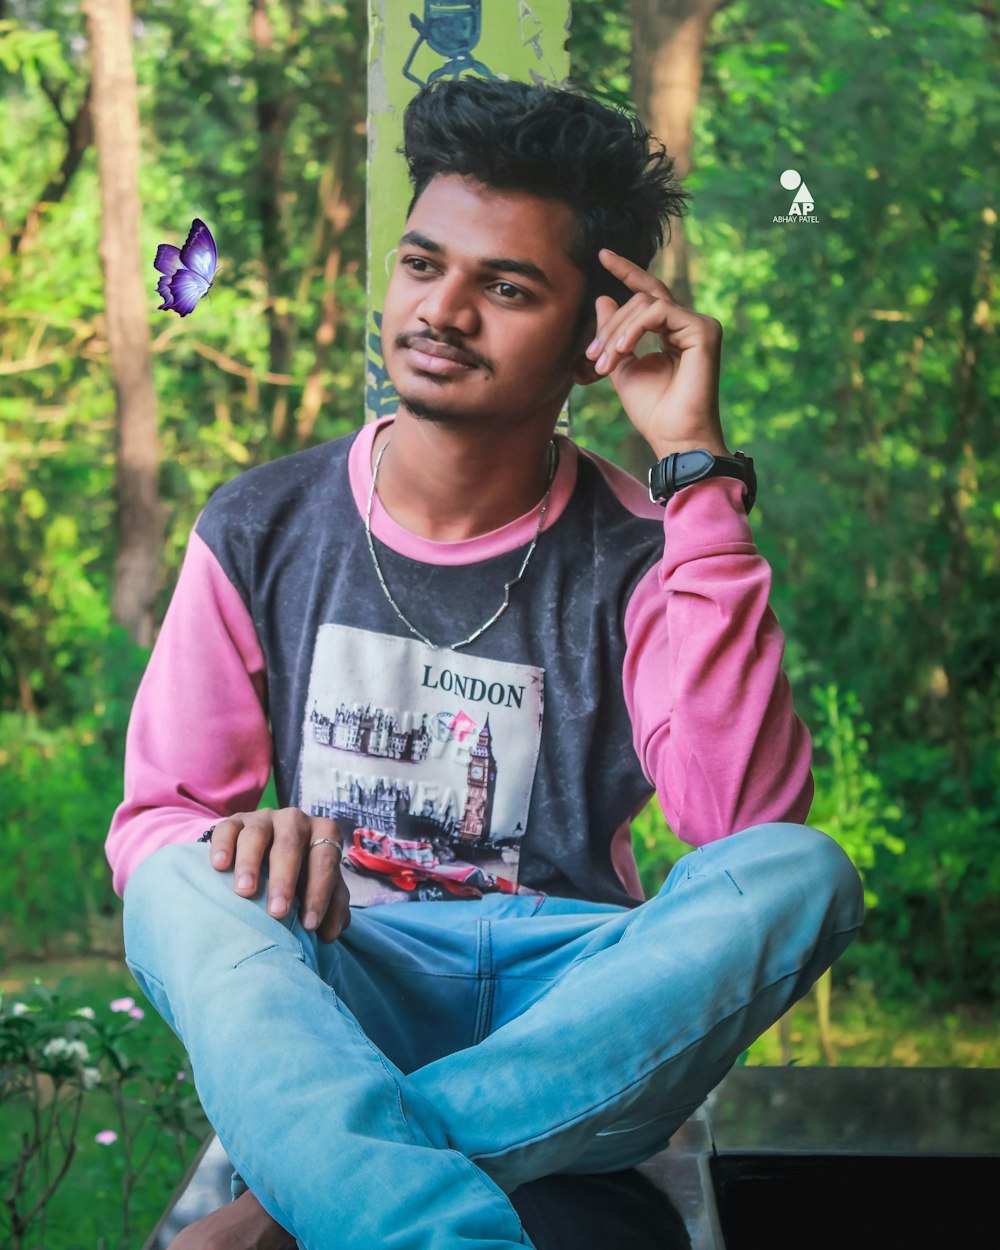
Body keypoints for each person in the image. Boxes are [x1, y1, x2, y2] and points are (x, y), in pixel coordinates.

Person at [109, 77, 864, 1250]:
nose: (441, 311)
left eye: (505, 288)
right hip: (340, 978)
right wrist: (226, 838)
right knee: (170, 881)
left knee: (803, 870)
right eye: (423, 265)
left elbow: (743, 823)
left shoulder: (638, 550)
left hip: (572, 1003)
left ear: (588, 342)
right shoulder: (260, 524)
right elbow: (156, 820)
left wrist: (698, 474)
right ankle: (426, 1213)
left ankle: (304, 1191)